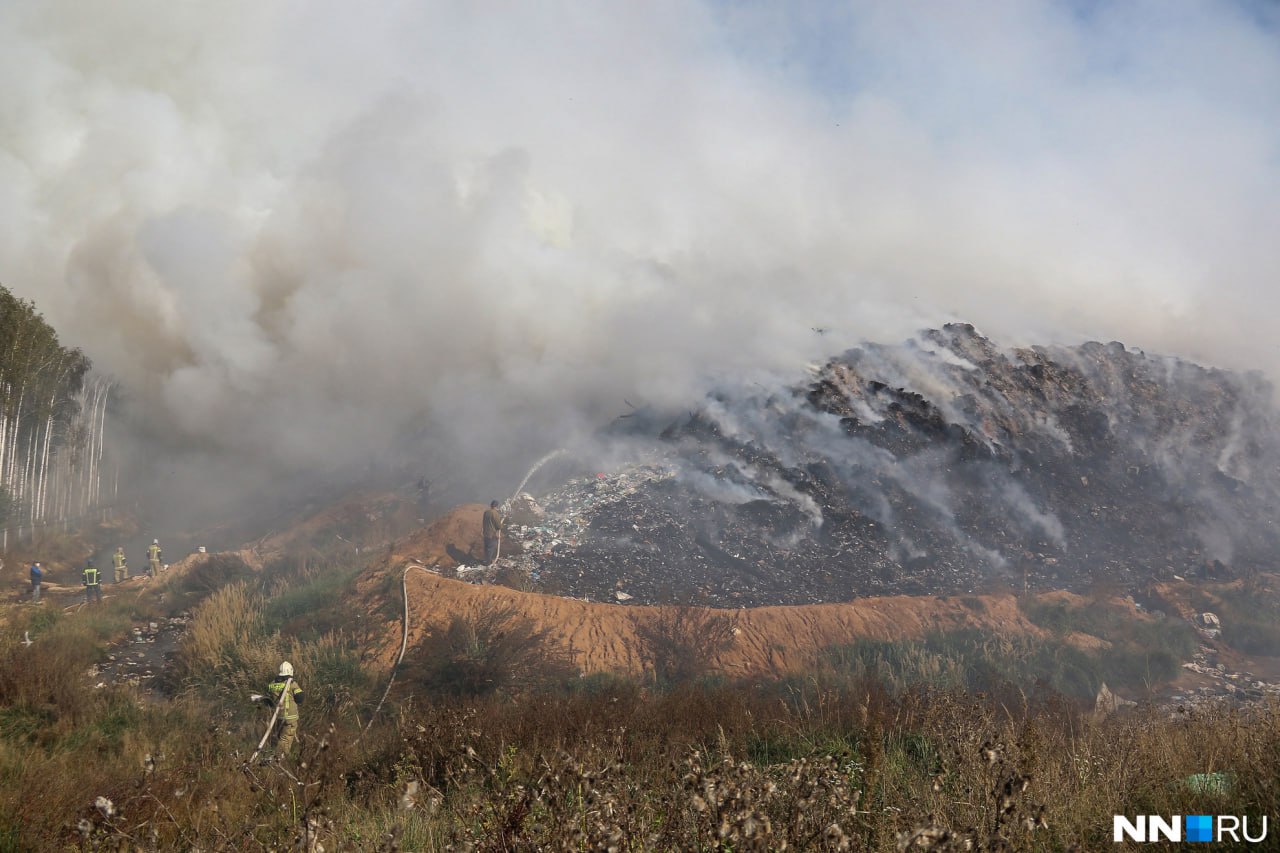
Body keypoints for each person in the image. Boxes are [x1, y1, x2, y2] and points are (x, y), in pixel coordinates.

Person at [265, 661, 304, 758]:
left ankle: (274, 754)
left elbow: (267, 701)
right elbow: (300, 698)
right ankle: (280, 760)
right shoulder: (291, 684)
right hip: (290, 718)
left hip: (278, 717)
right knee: (285, 740)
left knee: (279, 737)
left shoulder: (273, 684)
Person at [482, 500, 506, 565]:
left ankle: (486, 560)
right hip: (492, 534)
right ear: (496, 506)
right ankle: (488, 562)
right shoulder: (495, 513)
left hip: (485, 533)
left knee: (486, 548)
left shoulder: (486, 512)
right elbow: (498, 525)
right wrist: (501, 526)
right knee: (490, 548)